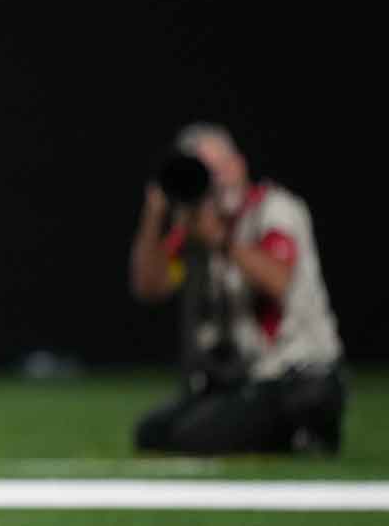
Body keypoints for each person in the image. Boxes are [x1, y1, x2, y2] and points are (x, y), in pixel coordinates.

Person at [130, 123, 346, 455]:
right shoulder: (196, 225)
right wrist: (154, 213)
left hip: (298, 378)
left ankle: (308, 428)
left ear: (241, 164)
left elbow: (278, 281)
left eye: (224, 165)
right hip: (244, 384)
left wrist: (219, 239)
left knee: (195, 439)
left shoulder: (275, 209)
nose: (220, 178)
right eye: (207, 170)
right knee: (152, 432)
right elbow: (149, 287)